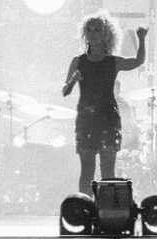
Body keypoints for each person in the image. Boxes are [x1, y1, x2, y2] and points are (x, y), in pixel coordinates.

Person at [60, 11, 146, 197]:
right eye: (89, 30)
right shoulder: (78, 61)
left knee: (108, 172)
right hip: (86, 119)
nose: (93, 33)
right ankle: (85, 210)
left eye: (97, 29)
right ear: (85, 34)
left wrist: (142, 39)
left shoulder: (113, 62)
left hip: (108, 119)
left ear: (106, 34)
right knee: (87, 171)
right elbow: (65, 91)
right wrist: (73, 80)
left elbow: (138, 61)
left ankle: (107, 214)